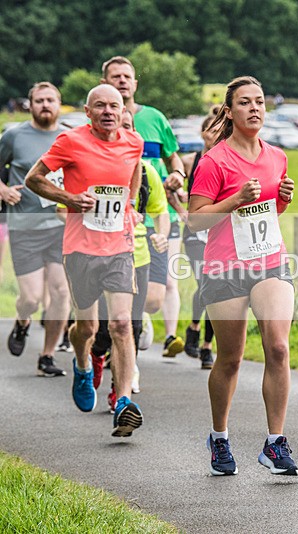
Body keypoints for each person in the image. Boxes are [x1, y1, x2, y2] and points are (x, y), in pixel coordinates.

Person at [187, 76, 297, 476]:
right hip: (225, 267)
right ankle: (219, 438)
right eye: (245, 103)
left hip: (270, 262)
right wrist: (235, 200)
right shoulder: (215, 160)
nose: (255, 108)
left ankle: (275, 443)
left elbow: (268, 214)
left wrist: (281, 200)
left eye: (260, 102)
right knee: (230, 358)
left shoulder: (278, 156)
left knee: (279, 348)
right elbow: (195, 218)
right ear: (230, 112)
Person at [26, 84, 145, 438]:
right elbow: (34, 178)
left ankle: (122, 402)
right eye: (100, 106)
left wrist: (131, 206)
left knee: (122, 324)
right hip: (80, 249)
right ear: (88, 111)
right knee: (88, 329)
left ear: (124, 111)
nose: (109, 111)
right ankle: (81, 364)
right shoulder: (71, 142)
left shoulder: (132, 142)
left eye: (115, 106)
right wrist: (70, 198)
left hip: (120, 247)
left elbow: (134, 170)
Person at [83, 108, 169, 408]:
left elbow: (160, 211)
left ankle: (119, 394)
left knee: (130, 326)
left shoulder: (148, 172)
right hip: (99, 253)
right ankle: (95, 354)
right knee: (103, 329)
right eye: (122, 126)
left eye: (131, 127)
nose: (127, 132)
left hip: (138, 256)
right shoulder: (92, 165)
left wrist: (161, 233)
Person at [101, 56, 186, 358]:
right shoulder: (99, 123)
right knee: (120, 289)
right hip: (118, 219)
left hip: (160, 211)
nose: (122, 81)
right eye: (115, 76)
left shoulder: (155, 118)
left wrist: (178, 174)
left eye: (127, 76)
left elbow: (173, 156)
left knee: (155, 295)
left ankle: (143, 317)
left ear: (136, 83)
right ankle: (122, 341)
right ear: (104, 84)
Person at [0, 82, 71, 377]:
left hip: (60, 226)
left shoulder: (69, 137)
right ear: (30, 104)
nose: (45, 105)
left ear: (59, 103)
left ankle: (47, 355)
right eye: (39, 100)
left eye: (50, 100)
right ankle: (23, 320)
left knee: (60, 292)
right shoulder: (14, 135)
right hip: (24, 225)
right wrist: (3, 191)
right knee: (30, 298)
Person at [180, 112, 219, 370]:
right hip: (195, 233)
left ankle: (206, 346)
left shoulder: (226, 162)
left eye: (220, 130)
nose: (215, 134)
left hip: (218, 232)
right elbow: (170, 188)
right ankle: (194, 325)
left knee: (215, 288)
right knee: (206, 281)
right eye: (211, 129)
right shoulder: (189, 161)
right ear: (203, 132)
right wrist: (182, 208)